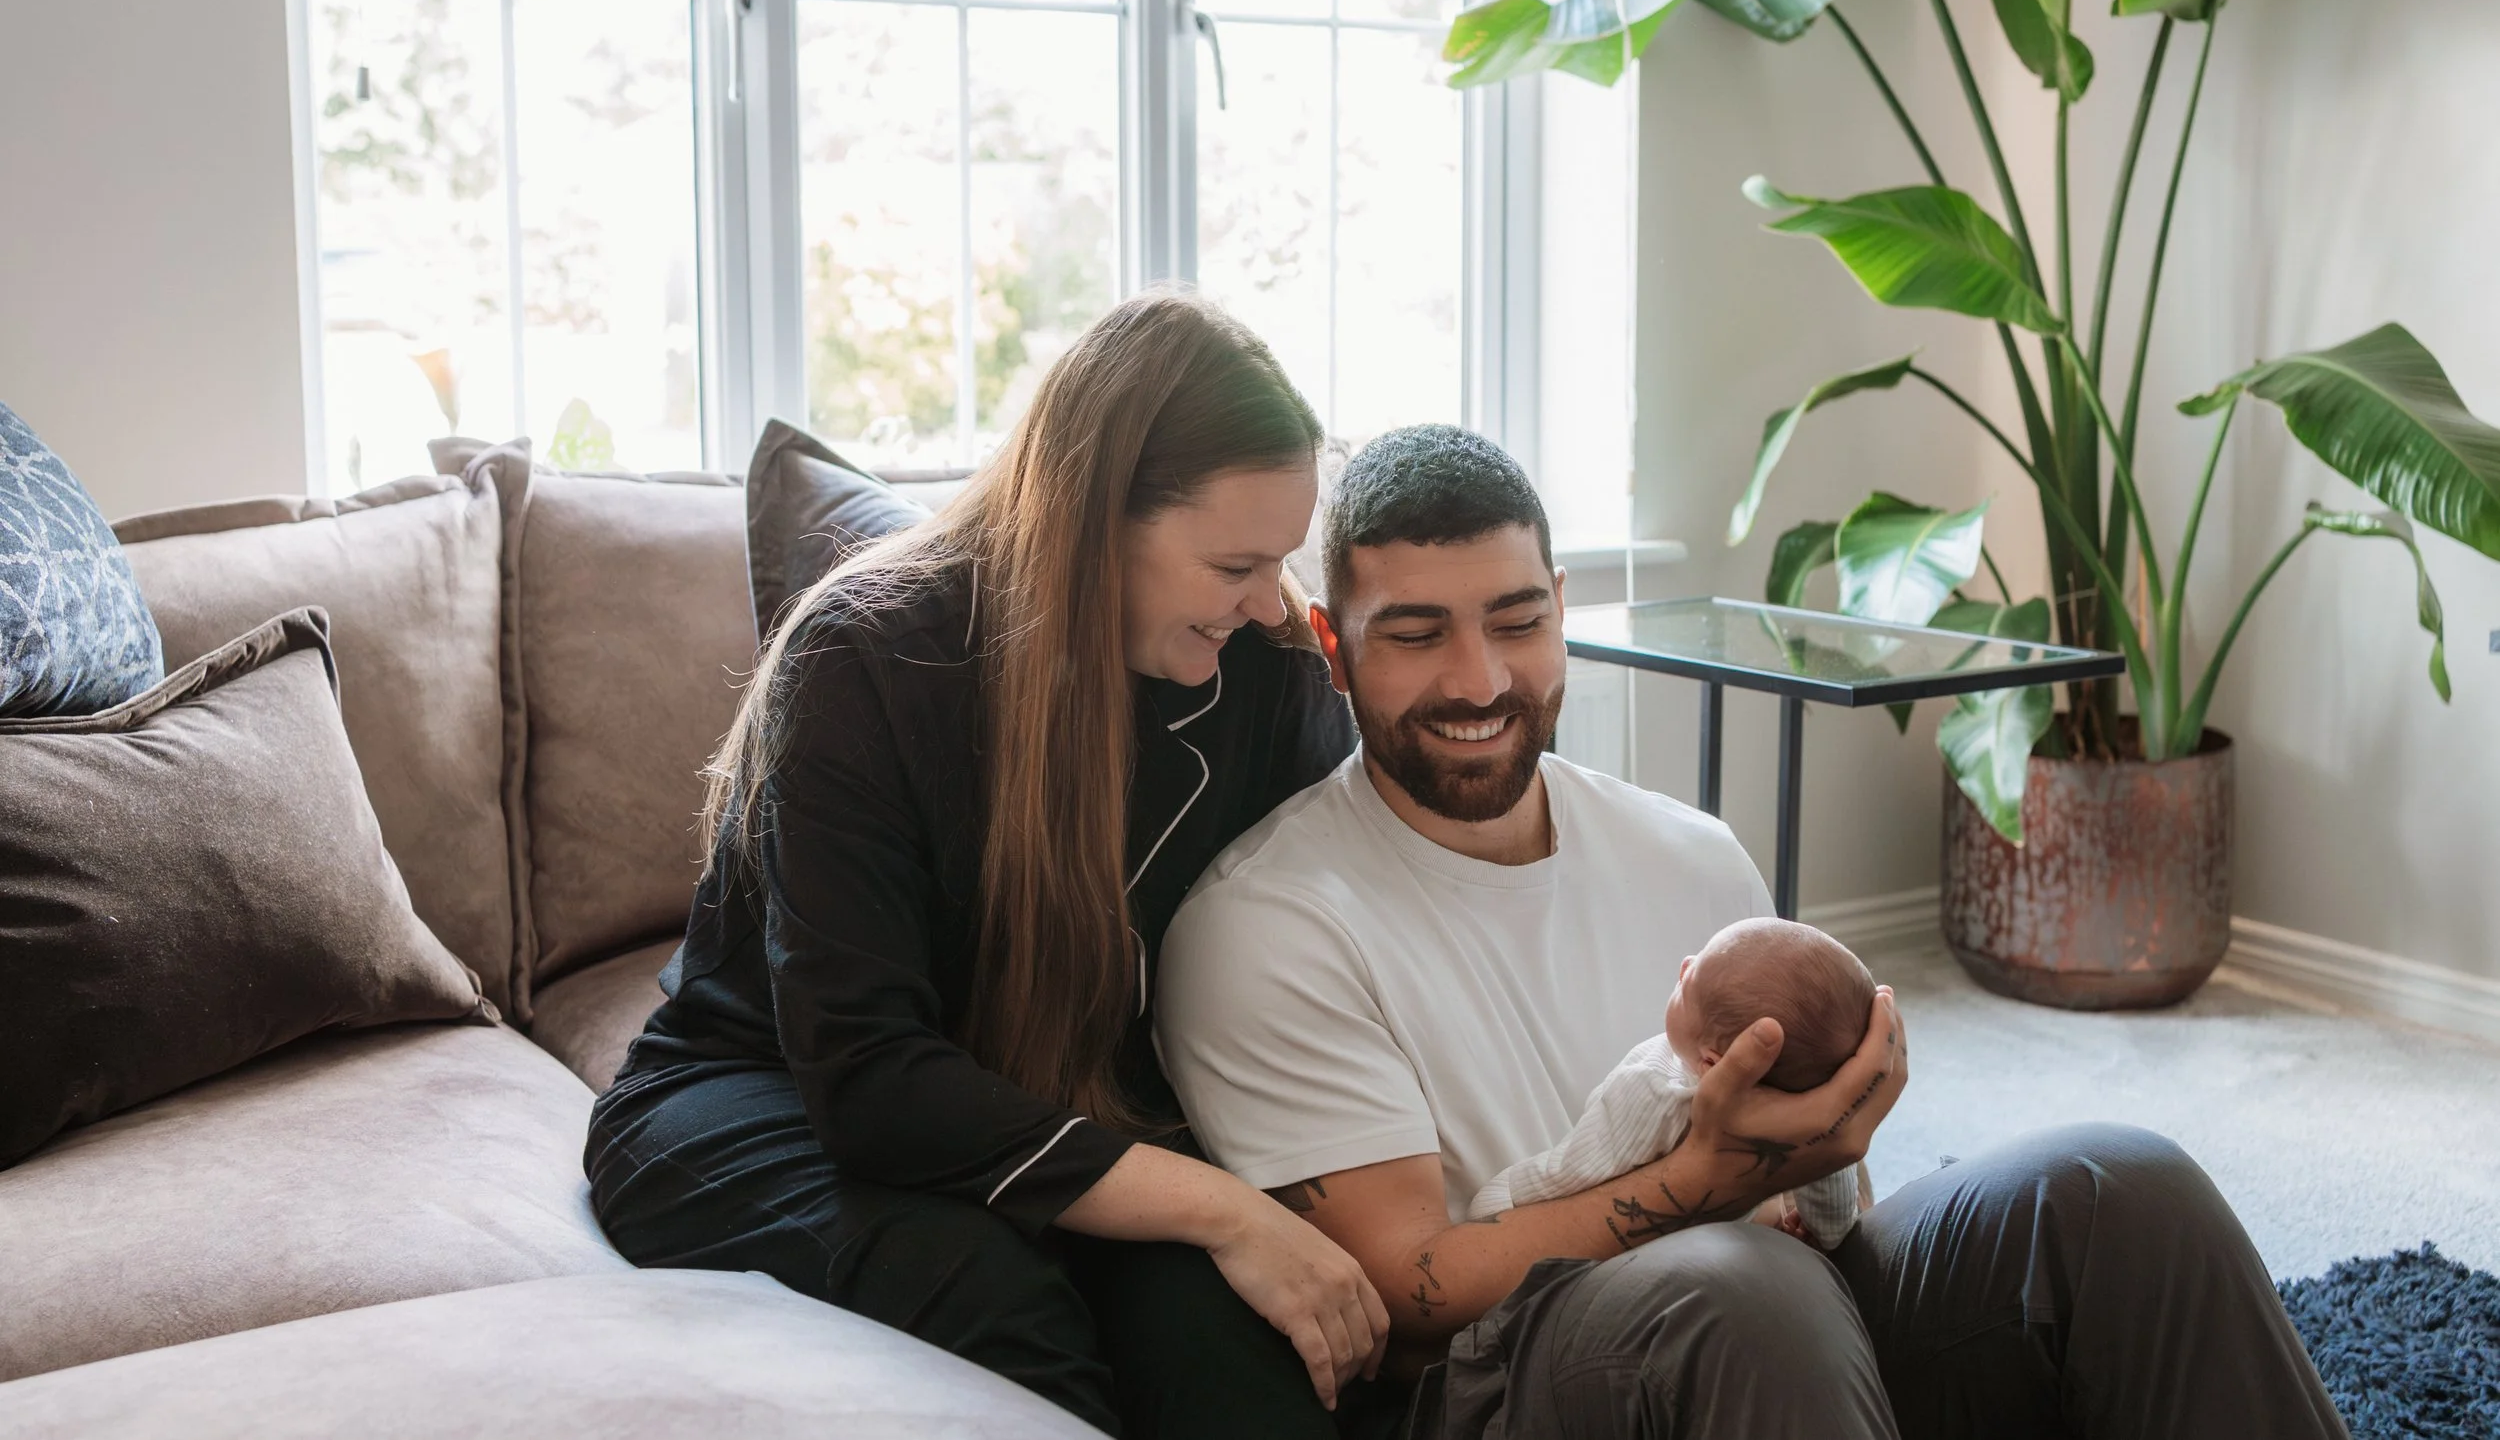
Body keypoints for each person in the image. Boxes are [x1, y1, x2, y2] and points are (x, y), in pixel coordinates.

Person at [1156, 423, 2350, 1440]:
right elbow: (1405, 1293)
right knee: (1745, 1278)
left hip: (1772, 1334)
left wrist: (1819, 1143)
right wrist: (1701, 1181)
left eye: (1515, 620)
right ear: (1332, 643)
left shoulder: (1688, 850)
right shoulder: (1267, 922)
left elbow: (1833, 1200)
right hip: (1506, 1388)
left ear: (1561, 610)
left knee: (2113, 1185)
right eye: (1416, 635)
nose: (1479, 679)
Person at [584, 292, 1395, 1440]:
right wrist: (1222, 1207)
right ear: (1095, 514)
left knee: (1245, 1353)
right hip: (774, 1095)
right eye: (1233, 562)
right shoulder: (866, 655)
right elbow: (868, 1074)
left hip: (1071, 1107)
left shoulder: (1262, 672)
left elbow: (1358, 920)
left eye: (1278, 561)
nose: (1269, 602)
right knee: (995, 1298)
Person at [1469, 917, 1873, 1254]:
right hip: (1736, 1226)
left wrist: (1503, 1199)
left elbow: (1577, 1169)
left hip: (1655, 1248)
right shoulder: (1812, 1114)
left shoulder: (1655, 1092)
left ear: (1713, 1064)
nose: (1684, 963)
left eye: (1688, 984)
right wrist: (1828, 1231)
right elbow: (1831, 1177)